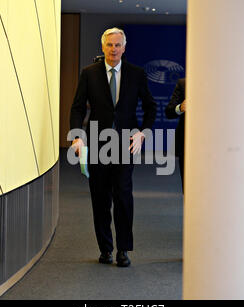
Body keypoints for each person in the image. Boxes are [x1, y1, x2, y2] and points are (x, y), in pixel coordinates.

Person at [69, 27, 156, 267]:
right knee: (100, 198)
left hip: (126, 145)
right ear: (103, 47)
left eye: (118, 45)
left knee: (123, 197)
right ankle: (106, 249)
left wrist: (143, 133)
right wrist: (77, 136)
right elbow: (77, 107)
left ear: (124, 48)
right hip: (97, 143)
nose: (114, 49)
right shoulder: (90, 73)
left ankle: (123, 250)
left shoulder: (136, 74)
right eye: (109, 45)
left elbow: (151, 107)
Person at [165, 78, 186, 192]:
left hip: (215, 146)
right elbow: (169, 112)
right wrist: (180, 108)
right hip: (187, 146)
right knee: (188, 189)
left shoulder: (220, 85)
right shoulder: (183, 84)